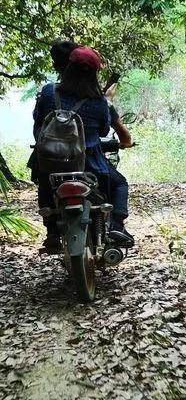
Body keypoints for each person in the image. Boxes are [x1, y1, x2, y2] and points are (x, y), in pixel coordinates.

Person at [33, 45, 134, 251]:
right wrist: (106, 102)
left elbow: (38, 120)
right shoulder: (99, 103)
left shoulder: (49, 91)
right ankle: (116, 225)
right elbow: (105, 132)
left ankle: (52, 230)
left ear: (68, 66)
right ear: (95, 74)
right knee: (120, 184)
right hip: (89, 165)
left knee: (43, 179)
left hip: (51, 162)